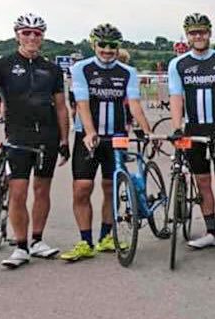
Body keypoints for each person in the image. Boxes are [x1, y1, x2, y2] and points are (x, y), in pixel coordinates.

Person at [0, 13, 68, 268]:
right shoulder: (3, 64)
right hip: (18, 135)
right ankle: (21, 246)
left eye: (37, 33)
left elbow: (62, 107)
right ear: (17, 34)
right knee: (18, 192)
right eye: (26, 32)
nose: (32, 37)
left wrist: (64, 139)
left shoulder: (52, 69)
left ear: (43, 37)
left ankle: (37, 240)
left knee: (42, 190)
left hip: (48, 136)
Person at [59, 24, 154, 261]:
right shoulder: (81, 68)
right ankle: (85, 241)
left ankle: (105, 237)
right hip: (88, 137)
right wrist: (90, 133)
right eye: (102, 45)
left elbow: (133, 104)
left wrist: (147, 131)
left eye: (113, 45)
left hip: (117, 137)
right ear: (94, 45)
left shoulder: (127, 72)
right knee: (82, 188)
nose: (107, 50)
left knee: (110, 188)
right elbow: (82, 103)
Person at [167, 13, 215, 255]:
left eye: (202, 31)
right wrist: (177, 127)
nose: (198, 36)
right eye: (193, 33)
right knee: (202, 182)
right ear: (187, 35)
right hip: (194, 128)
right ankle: (211, 232)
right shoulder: (178, 64)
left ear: (210, 33)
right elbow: (176, 97)